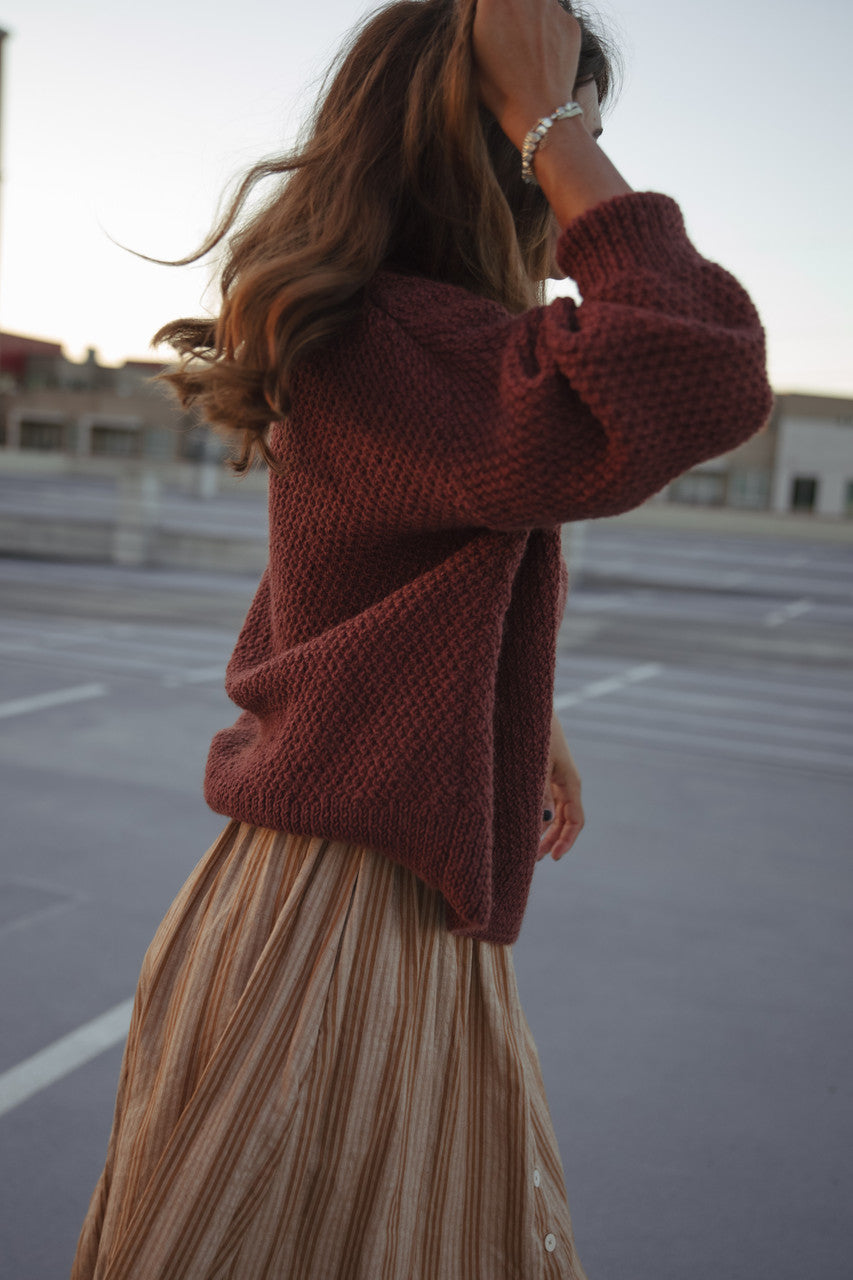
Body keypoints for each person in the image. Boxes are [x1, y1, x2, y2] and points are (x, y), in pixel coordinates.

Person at [71, 0, 773, 1276]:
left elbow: (346, 582)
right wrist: (556, 126)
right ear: (490, 155)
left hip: (341, 897)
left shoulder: (391, 340)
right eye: (547, 148)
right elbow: (700, 365)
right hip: (344, 923)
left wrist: (510, 705)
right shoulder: (399, 342)